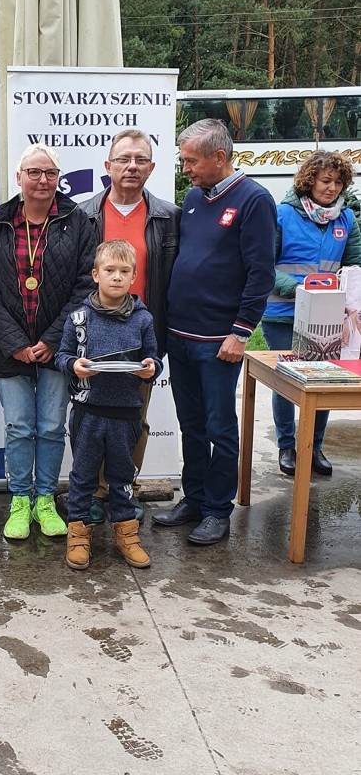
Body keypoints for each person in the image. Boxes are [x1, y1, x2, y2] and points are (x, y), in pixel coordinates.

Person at [153, 119, 276, 546]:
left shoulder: (254, 200)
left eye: (191, 160)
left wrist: (241, 332)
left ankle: (217, 511)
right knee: (191, 425)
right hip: (180, 336)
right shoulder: (192, 198)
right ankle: (195, 498)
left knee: (220, 427)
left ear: (218, 157)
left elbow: (261, 273)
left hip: (219, 342)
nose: (185, 168)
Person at [0, 144, 94, 540]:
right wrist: (13, 341)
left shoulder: (77, 220)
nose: (42, 180)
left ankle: (45, 498)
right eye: (34, 172)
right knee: (18, 426)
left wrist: (51, 339)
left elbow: (84, 285)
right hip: (9, 348)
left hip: (57, 347)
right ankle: (19, 500)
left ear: (57, 177)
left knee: (49, 426)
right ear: (19, 177)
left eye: (49, 173)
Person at [82, 128, 180, 523]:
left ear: (152, 168)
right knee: (90, 420)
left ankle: (122, 488)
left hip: (142, 338)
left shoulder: (169, 218)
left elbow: (178, 278)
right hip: (93, 337)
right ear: (108, 166)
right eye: (123, 159)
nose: (131, 166)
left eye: (140, 159)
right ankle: (93, 491)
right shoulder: (84, 215)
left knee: (133, 420)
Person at [55, 240, 161, 571]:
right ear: (95, 274)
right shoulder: (78, 317)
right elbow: (61, 356)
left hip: (126, 413)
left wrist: (150, 367)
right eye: (110, 270)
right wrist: (74, 365)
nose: (116, 277)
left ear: (133, 277)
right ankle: (78, 534)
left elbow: (154, 358)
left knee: (122, 476)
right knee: (83, 476)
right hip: (88, 412)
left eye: (124, 271)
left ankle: (126, 534)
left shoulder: (143, 320)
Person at [261, 151, 361, 477]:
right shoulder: (282, 215)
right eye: (325, 181)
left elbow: (354, 266)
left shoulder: (346, 219)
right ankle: (287, 446)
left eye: (338, 182)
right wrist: (298, 288)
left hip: (328, 316)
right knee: (286, 381)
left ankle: (314, 446)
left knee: (324, 380)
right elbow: (263, 265)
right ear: (310, 181)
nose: (332, 188)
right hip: (283, 311)